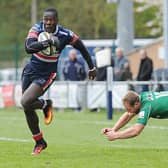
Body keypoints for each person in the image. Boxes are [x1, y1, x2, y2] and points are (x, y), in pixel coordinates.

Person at [21, 8, 96, 155]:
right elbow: (28, 48)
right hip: (30, 70)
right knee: (27, 107)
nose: (48, 22)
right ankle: (39, 141)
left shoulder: (65, 34)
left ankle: (45, 104)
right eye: (45, 19)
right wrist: (47, 43)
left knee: (25, 101)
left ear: (56, 20)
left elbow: (82, 48)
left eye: (51, 20)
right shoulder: (36, 29)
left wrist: (92, 67)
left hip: (47, 74)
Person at [101, 90, 168, 141]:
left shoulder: (146, 107)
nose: (128, 111)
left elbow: (136, 131)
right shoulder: (142, 96)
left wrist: (116, 135)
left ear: (136, 104)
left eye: (129, 109)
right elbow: (128, 115)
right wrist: (113, 130)